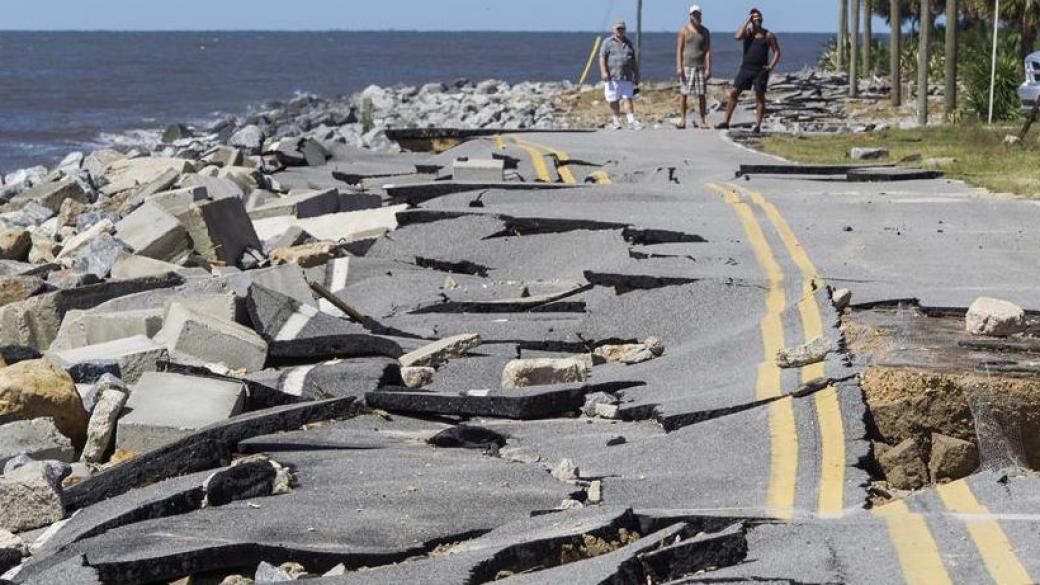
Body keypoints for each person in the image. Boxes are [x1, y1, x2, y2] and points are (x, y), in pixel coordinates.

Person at [717, 8, 781, 133]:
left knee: (759, 97)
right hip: (746, 68)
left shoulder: (768, 35)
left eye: (758, 16)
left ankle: (757, 126)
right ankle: (726, 122)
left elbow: (777, 52)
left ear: (762, 18)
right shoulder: (748, 32)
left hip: (760, 70)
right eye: (754, 17)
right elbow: (737, 36)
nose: (757, 18)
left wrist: (771, 66)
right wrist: (747, 21)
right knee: (734, 92)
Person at [600, 20, 641, 130]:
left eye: (622, 29)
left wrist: (636, 74)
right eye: (618, 29)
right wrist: (604, 72)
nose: (620, 31)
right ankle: (616, 120)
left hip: (626, 76)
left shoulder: (628, 43)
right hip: (612, 76)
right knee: (614, 99)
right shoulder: (607, 42)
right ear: (613, 30)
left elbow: (633, 60)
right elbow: (602, 58)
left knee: (628, 98)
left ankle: (631, 120)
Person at [676, 5, 712, 129]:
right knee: (684, 94)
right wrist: (679, 67)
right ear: (690, 16)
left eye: (698, 14)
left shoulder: (705, 31)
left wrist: (708, 68)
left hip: (700, 66)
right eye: (693, 14)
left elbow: (707, 50)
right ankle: (682, 120)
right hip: (687, 66)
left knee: (701, 94)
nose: (696, 16)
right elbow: (679, 50)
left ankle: (703, 120)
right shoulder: (684, 30)